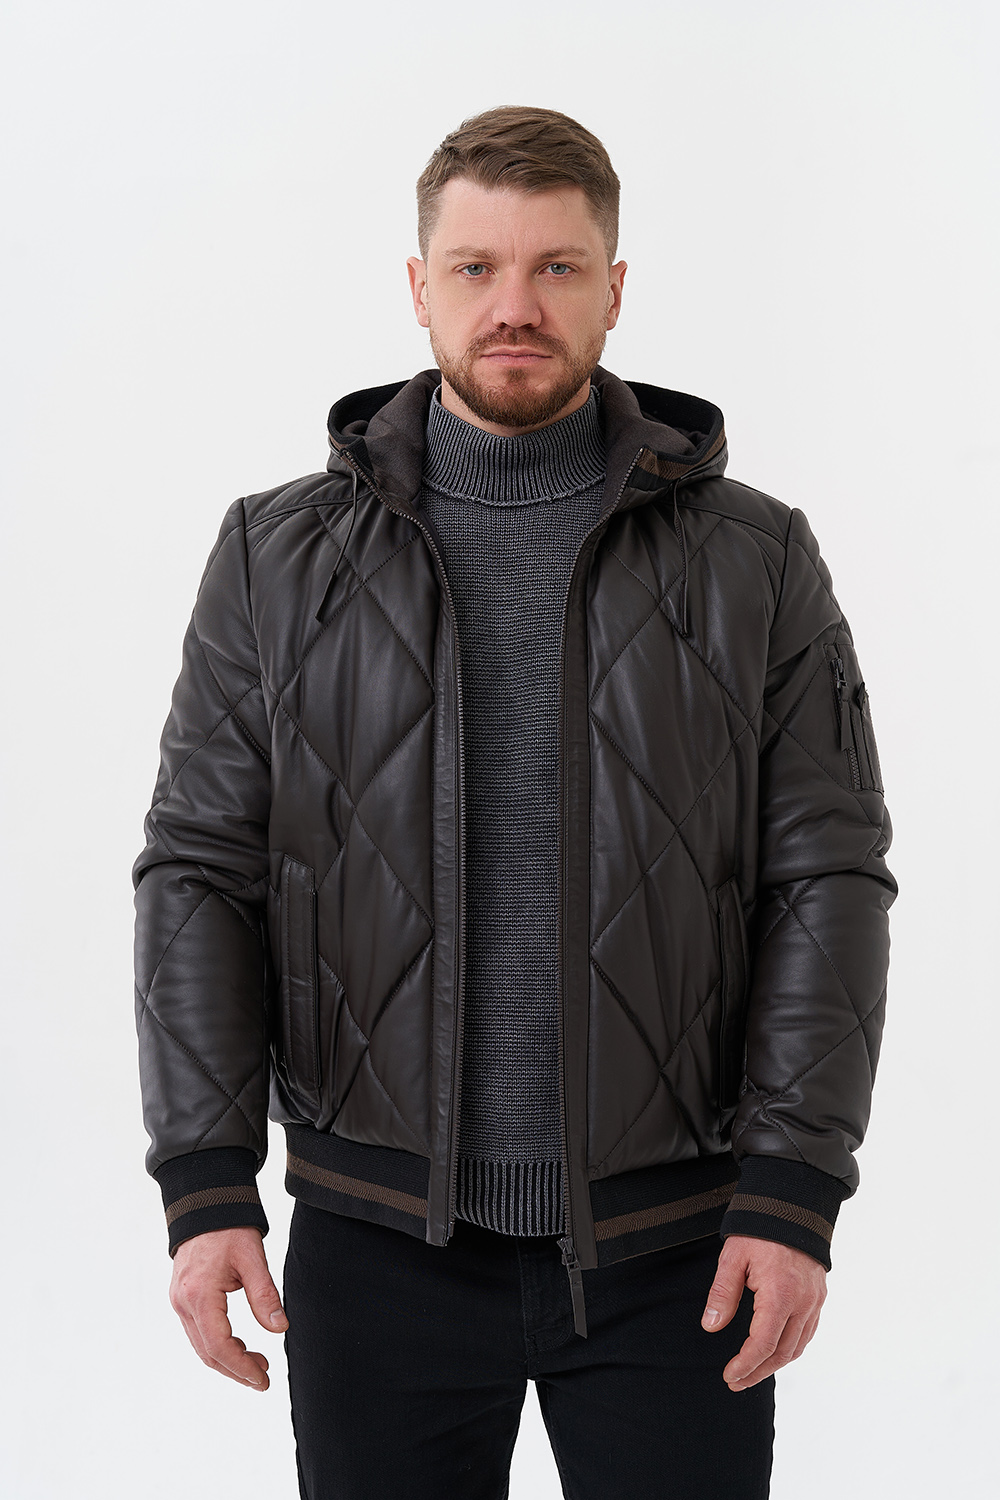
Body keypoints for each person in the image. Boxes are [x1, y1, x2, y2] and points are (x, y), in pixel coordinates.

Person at [133, 104, 896, 1500]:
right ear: (418, 287)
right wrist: (205, 1178)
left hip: (681, 1251)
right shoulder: (272, 557)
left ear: (616, 287)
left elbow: (826, 880)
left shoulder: (757, 560)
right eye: (476, 267)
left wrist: (796, 1190)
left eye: (557, 267)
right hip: (376, 1244)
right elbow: (199, 874)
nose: (516, 306)